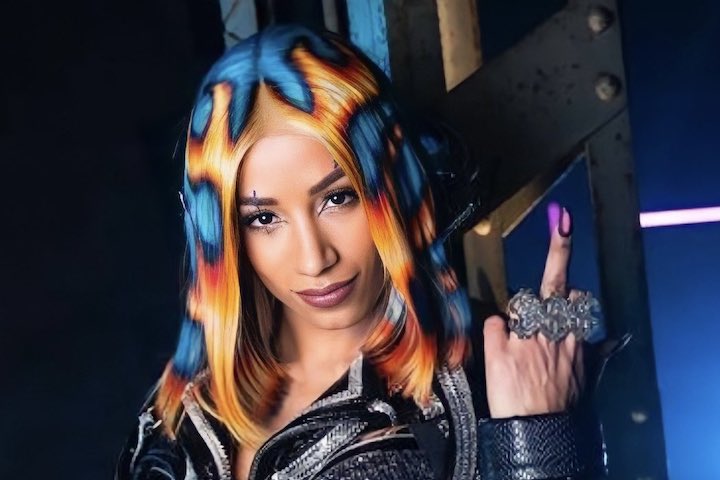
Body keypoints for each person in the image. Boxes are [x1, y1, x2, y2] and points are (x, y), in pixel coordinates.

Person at [116, 24, 605, 480]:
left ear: (392, 184)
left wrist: (539, 441)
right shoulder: (178, 416)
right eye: (263, 219)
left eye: (338, 198)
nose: (314, 259)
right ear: (224, 235)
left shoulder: (491, 387)